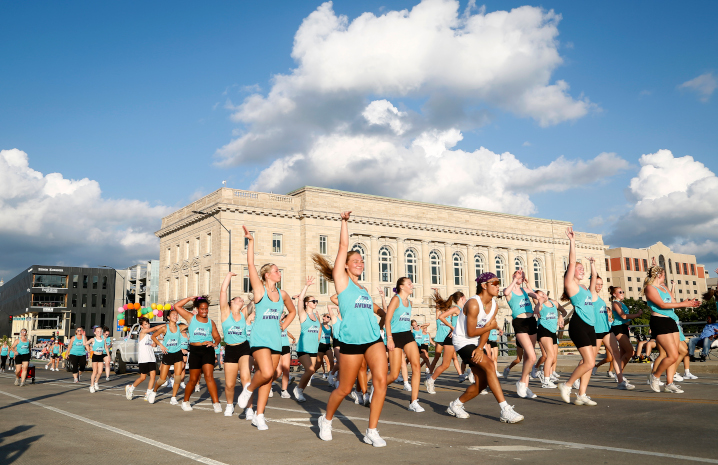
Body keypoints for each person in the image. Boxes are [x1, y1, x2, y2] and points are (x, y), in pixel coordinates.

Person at [311, 211, 388, 446]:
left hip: (373, 340)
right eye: (355, 260)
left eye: (362, 261)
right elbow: (343, 245)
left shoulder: (363, 289)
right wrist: (344, 223)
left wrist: (386, 319)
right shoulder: (342, 282)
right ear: (344, 266)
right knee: (344, 388)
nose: (360, 263)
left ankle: (371, 431)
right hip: (351, 343)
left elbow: (376, 311)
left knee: (381, 382)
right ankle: (327, 419)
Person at [237, 226, 297, 431]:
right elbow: (251, 264)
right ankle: (248, 389)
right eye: (276, 271)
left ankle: (259, 415)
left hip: (276, 339)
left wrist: (284, 325)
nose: (279, 273)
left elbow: (292, 312)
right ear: (267, 275)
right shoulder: (260, 290)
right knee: (267, 371)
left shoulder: (284, 294)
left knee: (269, 377)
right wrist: (251, 242)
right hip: (260, 338)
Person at [446, 272, 524, 423]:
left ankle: (456, 405)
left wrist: (481, 347)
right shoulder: (474, 304)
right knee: (489, 365)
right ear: (484, 286)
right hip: (462, 341)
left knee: (481, 384)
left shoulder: (494, 305)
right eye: (494, 283)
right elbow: (471, 331)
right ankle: (505, 410)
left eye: (498, 283)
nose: (498, 286)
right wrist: (492, 326)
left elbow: (486, 329)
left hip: (475, 341)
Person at [644, 262, 700, 393]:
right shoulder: (649, 288)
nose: (665, 277)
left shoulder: (663, 287)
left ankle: (669, 383)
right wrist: (684, 304)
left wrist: (688, 303)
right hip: (659, 321)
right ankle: (655, 376)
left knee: (675, 355)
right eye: (663, 275)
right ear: (658, 275)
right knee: (672, 355)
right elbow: (662, 305)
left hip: (670, 320)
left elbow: (673, 303)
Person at [557, 228, 598, 406]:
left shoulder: (584, 288)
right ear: (571, 272)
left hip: (590, 326)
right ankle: (567, 385)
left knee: (589, 362)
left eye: (582, 269)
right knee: (589, 362)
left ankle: (581, 394)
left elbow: (594, 278)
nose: (581, 271)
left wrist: (592, 265)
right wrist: (572, 241)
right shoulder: (571, 285)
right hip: (579, 325)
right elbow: (572, 261)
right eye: (578, 269)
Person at [172, 296, 222, 412]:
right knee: (193, 379)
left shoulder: (211, 322)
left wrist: (215, 343)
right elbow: (177, 306)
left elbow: (217, 336)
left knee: (209, 376)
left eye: (206, 309)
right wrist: (189, 298)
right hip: (195, 350)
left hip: (208, 350)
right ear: (197, 309)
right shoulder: (191, 318)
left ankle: (216, 403)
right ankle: (185, 401)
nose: (204, 311)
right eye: (202, 309)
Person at [384, 278, 425, 412]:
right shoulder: (396, 299)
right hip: (395, 336)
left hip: (407, 334)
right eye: (409, 284)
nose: (412, 285)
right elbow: (387, 320)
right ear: (401, 287)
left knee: (416, 366)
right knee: (394, 374)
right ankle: (378, 387)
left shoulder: (410, 302)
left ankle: (413, 401)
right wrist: (389, 338)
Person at [589, 272, 634, 390]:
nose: (600, 286)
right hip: (597, 331)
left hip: (607, 330)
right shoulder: (591, 295)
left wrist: (608, 318)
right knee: (589, 359)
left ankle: (620, 381)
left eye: (601, 284)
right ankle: (577, 379)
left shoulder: (600, 299)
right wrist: (593, 268)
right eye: (597, 284)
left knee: (616, 354)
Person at [217, 272, 252, 416]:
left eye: (242, 300)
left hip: (244, 347)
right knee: (230, 384)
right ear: (231, 302)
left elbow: (254, 301)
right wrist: (229, 276)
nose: (241, 300)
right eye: (238, 299)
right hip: (230, 350)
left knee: (246, 378)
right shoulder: (226, 312)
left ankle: (249, 409)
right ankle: (230, 406)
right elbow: (223, 291)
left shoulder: (244, 313)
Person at [504, 268, 539, 399]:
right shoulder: (510, 291)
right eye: (517, 275)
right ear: (513, 276)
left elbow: (538, 296)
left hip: (531, 321)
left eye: (521, 275)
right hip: (519, 322)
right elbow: (506, 292)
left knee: (528, 358)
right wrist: (515, 279)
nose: (520, 276)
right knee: (533, 356)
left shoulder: (525, 290)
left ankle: (525, 385)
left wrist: (537, 305)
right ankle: (521, 382)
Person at [425, 290, 467, 394]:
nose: (466, 299)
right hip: (451, 338)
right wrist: (452, 327)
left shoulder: (464, 309)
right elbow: (441, 317)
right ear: (461, 298)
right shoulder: (456, 308)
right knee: (445, 364)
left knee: (471, 357)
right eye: (465, 297)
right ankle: (430, 381)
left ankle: (473, 378)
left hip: (462, 338)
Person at [149, 309, 188, 405]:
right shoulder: (164, 328)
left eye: (177, 315)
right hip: (168, 353)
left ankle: (173, 397)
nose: (176, 316)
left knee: (178, 377)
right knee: (162, 379)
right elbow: (153, 336)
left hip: (178, 353)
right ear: (169, 317)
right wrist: (161, 345)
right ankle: (154, 392)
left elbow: (191, 323)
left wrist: (194, 316)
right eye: (173, 314)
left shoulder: (180, 327)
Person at [293, 277, 321, 403]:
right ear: (307, 303)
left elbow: (319, 327)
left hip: (314, 347)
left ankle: (300, 389)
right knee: (309, 369)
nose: (315, 302)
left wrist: (319, 339)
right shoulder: (303, 314)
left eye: (316, 301)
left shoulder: (316, 315)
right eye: (313, 301)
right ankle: (298, 390)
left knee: (311, 371)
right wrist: (306, 286)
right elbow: (299, 300)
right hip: (303, 348)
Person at [125, 317, 163, 402]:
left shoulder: (151, 335)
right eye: (145, 324)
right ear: (141, 326)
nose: (148, 325)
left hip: (151, 358)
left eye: (148, 323)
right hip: (143, 358)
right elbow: (155, 328)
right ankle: (130, 388)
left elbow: (155, 343)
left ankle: (148, 393)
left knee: (153, 376)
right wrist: (165, 325)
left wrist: (155, 344)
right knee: (143, 377)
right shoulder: (142, 332)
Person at [533, 291, 565, 388]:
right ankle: (546, 380)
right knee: (549, 355)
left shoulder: (554, 303)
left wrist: (560, 316)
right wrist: (540, 302)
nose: (543, 296)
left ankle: (545, 373)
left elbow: (564, 311)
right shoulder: (541, 306)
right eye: (540, 295)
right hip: (544, 331)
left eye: (544, 294)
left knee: (554, 358)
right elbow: (535, 311)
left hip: (552, 332)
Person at [608, 287, 642, 372]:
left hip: (624, 328)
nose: (622, 293)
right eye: (620, 292)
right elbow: (623, 316)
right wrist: (637, 315)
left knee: (623, 353)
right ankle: (618, 374)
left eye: (623, 291)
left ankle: (620, 375)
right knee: (630, 352)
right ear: (614, 294)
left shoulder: (621, 303)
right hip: (618, 328)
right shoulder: (615, 303)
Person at [277, 314, 296, 398]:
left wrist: (293, 338)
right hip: (276, 347)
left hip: (285, 346)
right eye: (281, 314)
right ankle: (268, 385)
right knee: (278, 372)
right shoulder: (273, 324)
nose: (282, 315)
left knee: (286, 369)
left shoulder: (285, 323)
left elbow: (287, 332)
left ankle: (284, 390)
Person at [85, 327, 109, 393]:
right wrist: (89, 347)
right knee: (94, 372)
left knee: (100, 372)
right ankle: (91, 386)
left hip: (101, 355)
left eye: (100, 331)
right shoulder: (93, 339)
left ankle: (96, 382)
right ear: (95, 332)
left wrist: (108, 356)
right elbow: (85, 343)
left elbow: (106, 348)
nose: (99, 332)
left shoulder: (103, 339)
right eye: (97, 331)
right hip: (95, 356)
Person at [327, 305, 342, 388]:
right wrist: (337, 307)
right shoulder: (335, 318)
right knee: (340, 362)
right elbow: (329, 306)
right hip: (337, 341)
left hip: (345, 341)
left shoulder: (346, 320)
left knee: (342, 365)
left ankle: (338, 382)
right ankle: (332, 374)